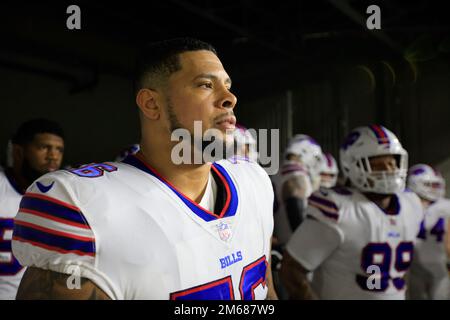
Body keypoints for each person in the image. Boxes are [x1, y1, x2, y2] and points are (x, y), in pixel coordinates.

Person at [12, 38, 277, 300]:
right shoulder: (84, 208)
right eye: (206, 85)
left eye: (227, 86)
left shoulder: (253, 180)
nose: (229, 98)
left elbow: (267, 291)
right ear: (152, 104)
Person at [281, 125, 424, 299]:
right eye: (377, 164)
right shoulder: (337, 208)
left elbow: (398, 272)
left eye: (392, 162)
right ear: (352, 166)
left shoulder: (411, 204)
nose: (388, 170)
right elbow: (291, 269)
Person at [0, 118, 65, 299]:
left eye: (59, 149)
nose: (53, 156)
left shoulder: (66, 193)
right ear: (19, 152)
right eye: (44, 147)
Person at [406, 164, 450, 299]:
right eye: (429, 184)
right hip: (414, 265)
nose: (434, 189)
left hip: (437, 265)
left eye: (436, 185)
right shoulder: (405, 203)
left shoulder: (403, 203)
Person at [272, 134, 323, 247]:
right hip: (294, 245)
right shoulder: (295, 175)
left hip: (285, 241)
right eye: (315, 158)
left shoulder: (280, 171)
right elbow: (295, 207)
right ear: (304, 153)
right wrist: (305, 244)